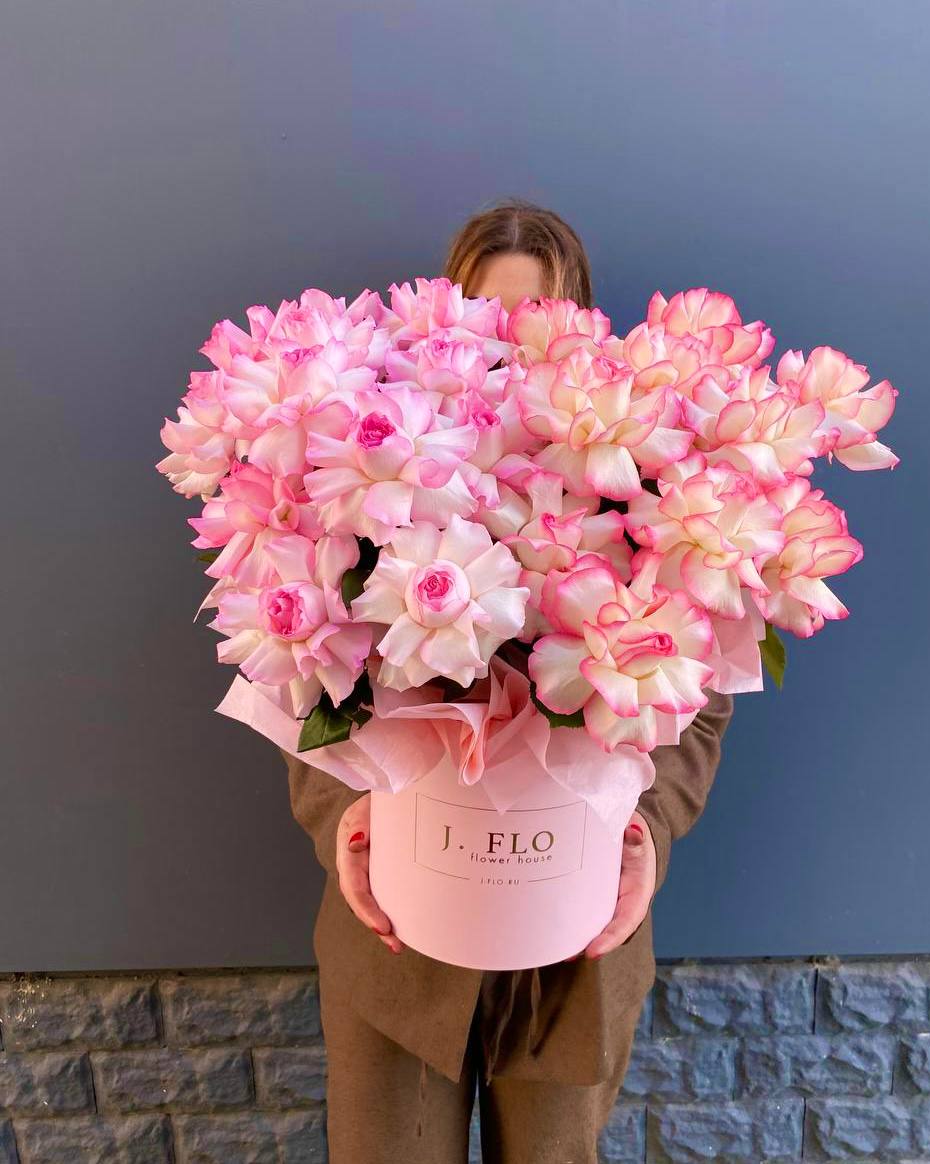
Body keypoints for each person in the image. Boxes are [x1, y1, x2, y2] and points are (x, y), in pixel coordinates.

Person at [281, 198, 736, 1163]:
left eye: (539, 323)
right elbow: (306, 674)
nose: (514, 352)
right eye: (491, 321)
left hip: (574, 941)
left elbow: (700, 701)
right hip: (399, 939)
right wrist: (344, 821)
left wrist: (647, 836)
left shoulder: (651, 491)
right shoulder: (371, 476)